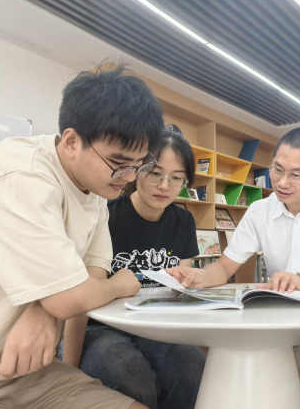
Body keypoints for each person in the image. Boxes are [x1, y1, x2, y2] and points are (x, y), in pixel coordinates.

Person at [168, 127, 300, 408]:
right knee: (234, 373)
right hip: (275, 320)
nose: (282, 182)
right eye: (277, 170)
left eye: (296, 174)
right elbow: (224, 267)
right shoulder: (259, 211)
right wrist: (201, 275)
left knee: (276, 383)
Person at [0, 63, 165, 408]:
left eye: (139, 165)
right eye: (119, 162)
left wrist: (44, 308)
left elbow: (92, 274)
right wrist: (122, 283)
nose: (129, 178)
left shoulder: (97, 189)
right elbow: (73, 295)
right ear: (73, 141)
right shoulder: (23, 172)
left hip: (29, 372)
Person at [61, 125, 206, 409]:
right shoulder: (106, 214)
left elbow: (179, 291)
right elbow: (82, 299)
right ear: (137, 168)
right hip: (101, 326)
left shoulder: (184, 221)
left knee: (193, 367)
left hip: (156, 325)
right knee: (131, 376)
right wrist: (68, 373)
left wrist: (189, 280)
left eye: (177, 178)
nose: (164, 186)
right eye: (155, 173)